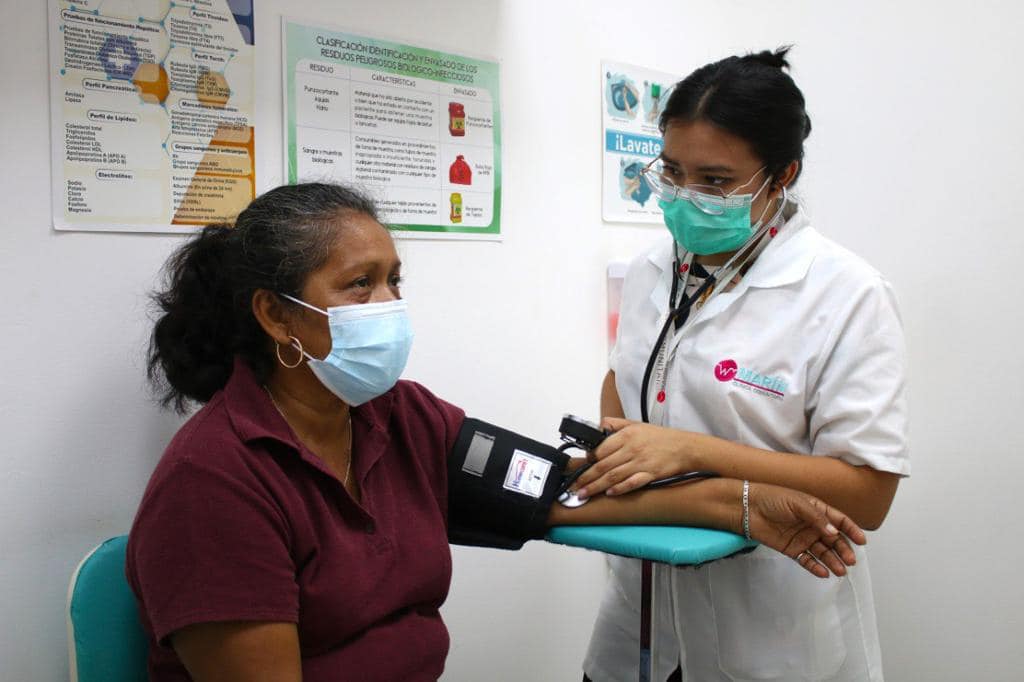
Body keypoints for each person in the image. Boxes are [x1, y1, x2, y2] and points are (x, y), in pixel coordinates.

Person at [127, 182, 868, 681]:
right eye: (359, 284)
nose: (389, 304)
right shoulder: (216, 483)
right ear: (275, 315)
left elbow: (558, 488)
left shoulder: (397, 417)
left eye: (394, 280)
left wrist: (740, 503)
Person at [574, 47, 909, 682]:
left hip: (771, 630)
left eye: (716, 181)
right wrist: (623, 449)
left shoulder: (846, 294)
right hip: (641, 615)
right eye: (673, 172)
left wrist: (688, 451)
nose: (685, 197)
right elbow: (623, 378)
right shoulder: (652, 269)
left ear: (782, 176)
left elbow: (868, 494)